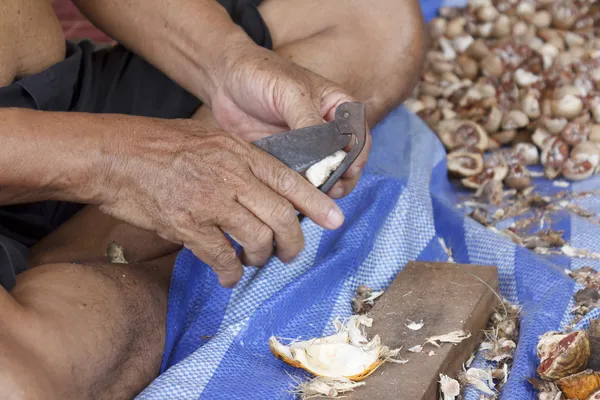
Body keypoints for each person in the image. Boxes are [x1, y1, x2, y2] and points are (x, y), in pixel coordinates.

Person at [0, 0, 427, 398]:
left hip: (54, 100)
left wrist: (222, 61)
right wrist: (120, 160)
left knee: (370, 15)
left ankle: (105, 255)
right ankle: (151, 268)